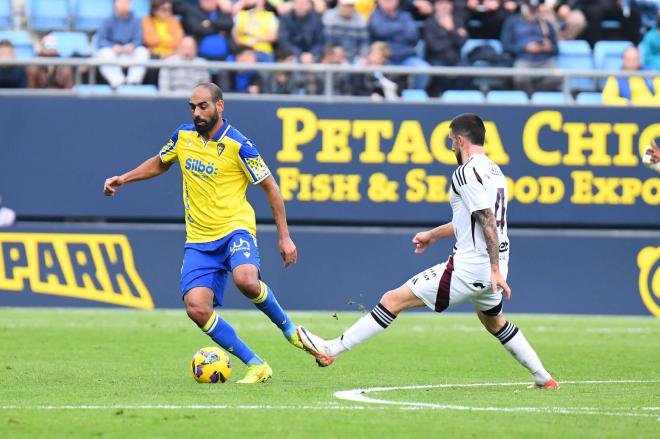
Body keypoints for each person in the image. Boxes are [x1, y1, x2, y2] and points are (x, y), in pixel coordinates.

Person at [297, 113, 559, 390]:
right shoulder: (495, 171)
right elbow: (469, 221)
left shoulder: (465, 172)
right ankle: (543, 377)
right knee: (493, 322)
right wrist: (434, 235)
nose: (450, 148)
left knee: (393, 299)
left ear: (460, 140)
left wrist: (492, 269)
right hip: (493, 265)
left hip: (473, 267)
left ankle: (330, 348)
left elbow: (487, 220)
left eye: (451, 142)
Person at [103, 83, 310, 383]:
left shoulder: (240, 145)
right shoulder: (183, 136)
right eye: (192, 107)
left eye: (203, 106)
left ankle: (289, 330)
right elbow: (160, 163)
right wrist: (124, 178)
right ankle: (256, 364)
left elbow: (271, 187)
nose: (197, 112)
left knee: (246, 280)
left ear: (219, 106)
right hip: (199, 240)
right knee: (197, 308)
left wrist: (284, 236)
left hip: (235, 229)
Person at [501, 0, 561, 95]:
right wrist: (525, 47)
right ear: (523, 7)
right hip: (523, 59)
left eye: (535, 9)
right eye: (530, 9)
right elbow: (506, 46)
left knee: (558, 76)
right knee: (520, 77)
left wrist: (549, 48)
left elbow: (556, 49)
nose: (532, 12)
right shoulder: (512, 22)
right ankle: (529, 99)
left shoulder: (545, 24)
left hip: (544, 60)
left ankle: (537, 96)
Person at [368, 0, 430, 90]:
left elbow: (412, 35)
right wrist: (401, 28)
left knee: (424, 69)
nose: (388, 2)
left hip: (406, 57)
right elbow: (380, 30)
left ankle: (413, 95)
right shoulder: (375, 15)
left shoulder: (406, 15)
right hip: (384, 60)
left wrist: (389, 30)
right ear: (379, 1)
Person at [97, 0, 151, 88]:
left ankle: (133, 82)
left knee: (142, 51)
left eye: (127, 2)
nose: (125, 5)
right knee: (104, 53)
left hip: (129, 53)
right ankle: (118, 82)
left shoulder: (136, 21)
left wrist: (133, 45)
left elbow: (139, 39)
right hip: (114, 53)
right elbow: (101, 41)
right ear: (115, 4)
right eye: (122, 2)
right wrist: (112, 46)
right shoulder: (107, 21)